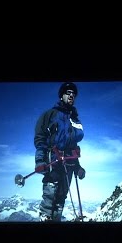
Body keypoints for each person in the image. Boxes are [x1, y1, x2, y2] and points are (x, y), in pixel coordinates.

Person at [34, 82, 86, 222]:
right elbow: (40, 138)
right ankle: (45, 218)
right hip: (53, 161)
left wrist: (78, 167)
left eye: (73, 94)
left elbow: (73, 146)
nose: (71, 95)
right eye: (68, 93)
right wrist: (40, 160)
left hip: (69, 165)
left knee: (61, 198)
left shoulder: (74, 120)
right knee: (50, 195)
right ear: (61, 95)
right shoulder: (50, 115)